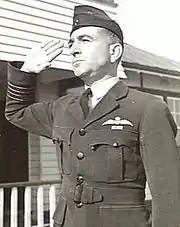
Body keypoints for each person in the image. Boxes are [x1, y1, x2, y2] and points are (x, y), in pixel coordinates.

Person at [5, 4, 180, 227]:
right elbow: (16, 112)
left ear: (114, 52)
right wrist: (27, 71)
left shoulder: (147, 109)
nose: (73, 49)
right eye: (71, 43)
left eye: (84, 40)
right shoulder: (63, 108)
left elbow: (169, 194)